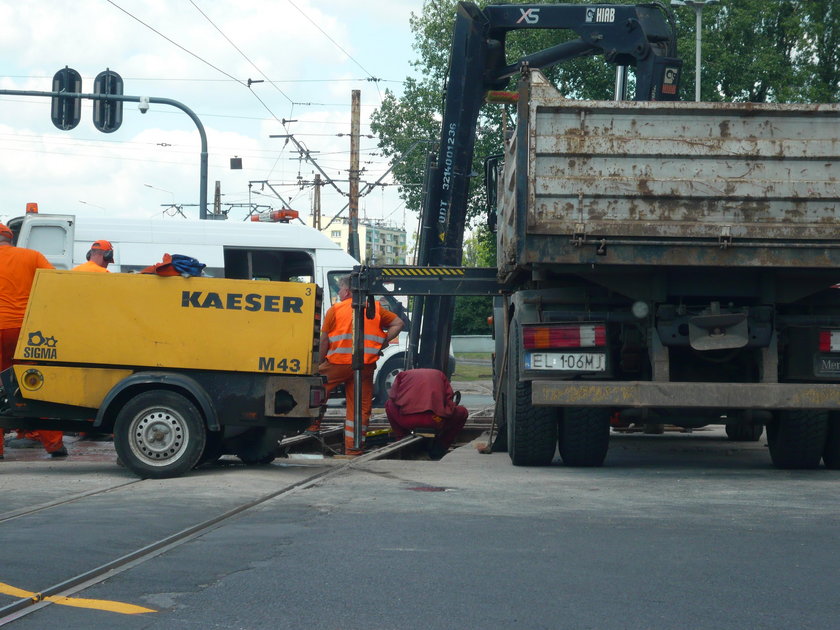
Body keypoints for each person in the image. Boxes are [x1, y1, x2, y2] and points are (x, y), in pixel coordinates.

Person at [307, 275, 403, 455]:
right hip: (365, 366)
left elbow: (324, 341)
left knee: (315, 388)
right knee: (359, 407)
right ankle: (353, 448)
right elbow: (398, 323)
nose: (340, 293)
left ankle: (312, 426)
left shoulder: (335, 310)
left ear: (348, 291)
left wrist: (316, 365)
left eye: (341, 289)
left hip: (338, 364)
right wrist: (383, 342)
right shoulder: (374, 308)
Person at [0, 223, 67, 459]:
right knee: (35, 385)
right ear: (11, 238)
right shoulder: (31, 256)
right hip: (23, 330)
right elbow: (55, 282)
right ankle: (54, 445)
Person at [73, 239, 115, 441]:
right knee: (99, 384)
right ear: (105, 256)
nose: (108, 263)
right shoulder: (104, 275)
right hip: (96, 337)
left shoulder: (74, 273)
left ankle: (84, 429)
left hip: (75, 335)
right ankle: (94, 428)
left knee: (80, 384)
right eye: (109, 259)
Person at [385, 368, 468, 460]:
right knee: (462, 412)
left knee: (389, 404)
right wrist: (445, 412)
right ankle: (440, 448)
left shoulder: (402, 375)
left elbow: (392, 396)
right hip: (435, 419)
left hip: (407, 420)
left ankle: (402, 441)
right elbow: (449, 399)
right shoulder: (440, 375)